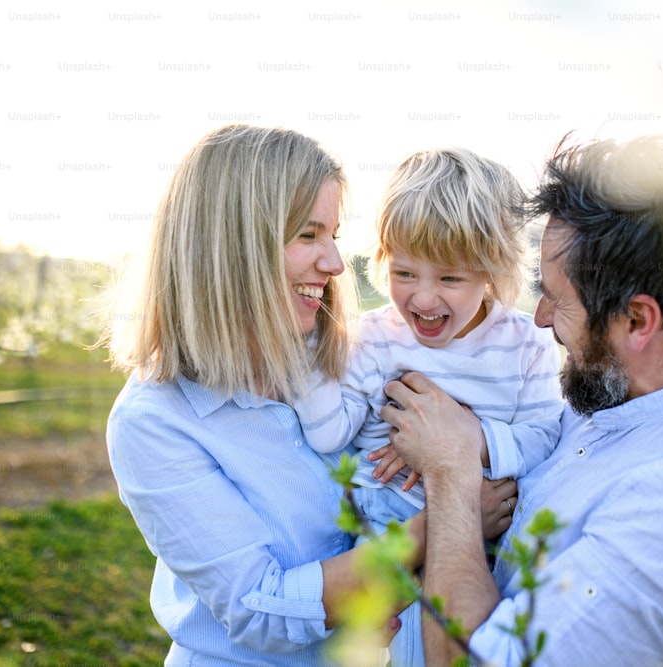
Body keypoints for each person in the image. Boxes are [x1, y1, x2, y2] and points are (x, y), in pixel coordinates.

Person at [101, 125, 517, 665]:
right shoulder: (156, 420)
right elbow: (262, 610)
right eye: (308, 235)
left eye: (334, 235)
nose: (336, 264)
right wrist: (447, 522)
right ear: (233, 246)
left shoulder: (346, 355)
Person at [382, 134, 663, 666]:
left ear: (637, 321)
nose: (540, 318)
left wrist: (451, 470)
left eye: (556, 297)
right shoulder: (598, 393)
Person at [293, 147, 564, 666]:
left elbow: (543, 438)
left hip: (473, 536)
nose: (421, 299)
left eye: (449, 279)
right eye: (404, 273)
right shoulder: (374, 339)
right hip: (380, 525)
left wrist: (461, 439)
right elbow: (330, 434)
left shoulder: (524, 344)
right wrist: (304, 360)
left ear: (493, 270)